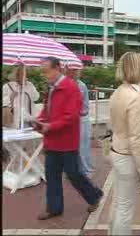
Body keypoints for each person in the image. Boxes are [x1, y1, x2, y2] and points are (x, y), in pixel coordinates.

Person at [33, 57, 103, 220]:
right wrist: (40, 120)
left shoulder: (71, 88)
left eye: (47, 71)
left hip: (66, 141)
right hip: (52, 140)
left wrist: (51, 126)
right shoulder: (51, 88)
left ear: (57, 68)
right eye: (43, 71)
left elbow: (71, 116)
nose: (45, 74)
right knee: (52, 175)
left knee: (73, 174)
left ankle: (94, 195)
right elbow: (47, 110)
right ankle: (54, 208)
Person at [109, 52, 140, 235]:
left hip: (116, 150)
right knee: (125, 208)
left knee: (118, 203)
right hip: (128, 157)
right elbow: (136, 138)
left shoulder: (118, 91)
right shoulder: (135, 97)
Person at [65, 66, 94, 178]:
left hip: (81, 121)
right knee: (68, 148)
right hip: (67, 122)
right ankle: (71, 171)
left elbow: (86, 107)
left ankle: (85, 171)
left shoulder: (82, 86)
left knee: (83, 147)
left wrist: (80, 111)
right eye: (70, 70)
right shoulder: (62, 85)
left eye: (75, 70)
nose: (72, 72)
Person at [2, 63, 40, 128]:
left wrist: (27, 86)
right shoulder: (7, 86)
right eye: (20, 74)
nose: (23, 75)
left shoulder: (29, 85)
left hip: (28, 118)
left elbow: (36, 97)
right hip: (15, 119)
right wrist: (10, 97)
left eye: (24, 73)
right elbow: (3, 102)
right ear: (16, 75)